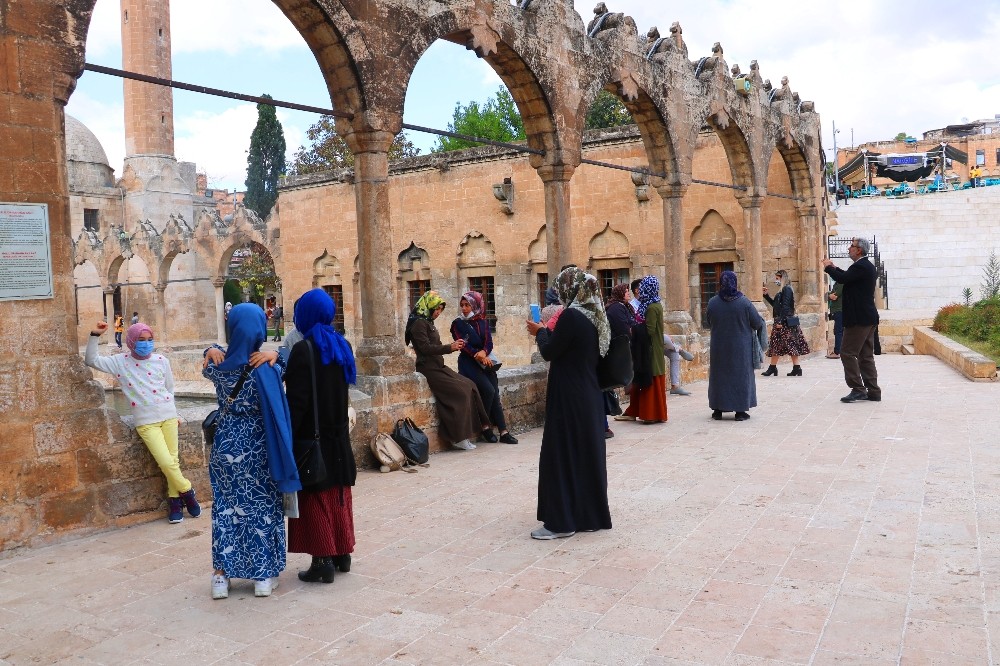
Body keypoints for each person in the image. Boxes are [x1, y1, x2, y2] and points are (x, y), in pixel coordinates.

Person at [202, 303, 300, 599]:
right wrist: (276, 354)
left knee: (225, 508)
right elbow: (291, 361)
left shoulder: (217, 365)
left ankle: (221, 577)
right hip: (259, 445)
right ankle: (262, 576)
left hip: (225, 445)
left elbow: (206, 361)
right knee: (262, 508)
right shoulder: (267, 368)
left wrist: (210, 347)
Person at [525, 267, 612, 539]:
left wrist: (539, 331)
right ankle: (588, 517)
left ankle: (560, 522)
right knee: (584, 455)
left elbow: (550, 351)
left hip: (569, 396)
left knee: (561, 455)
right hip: (589, 394)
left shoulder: (571, 316)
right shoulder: (596, 318)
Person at [85, 320, 201, 524]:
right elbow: (91, 360)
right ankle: (187, 490)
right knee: (165, 461)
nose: (146, 344)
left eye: (149, 339)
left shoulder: (161, 360)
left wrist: (175, 414)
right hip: (146, 421)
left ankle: (175, 502)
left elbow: (170, 388)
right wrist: (95, 335)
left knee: (172, 461)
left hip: (168, 416)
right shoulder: (120, 361)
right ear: (131, 341)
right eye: (141, 340)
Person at [284, 289, 357, 584]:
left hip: (313, 438)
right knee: (338, 494)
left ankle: (322, 560)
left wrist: (287, 436)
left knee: (315, 496)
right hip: (338, 436)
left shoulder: (305, 349)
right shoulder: (342, 345)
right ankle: (342, 553)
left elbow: (298, 403)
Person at [405, 291, 493, 450]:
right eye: (436, 309)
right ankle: (458, 437)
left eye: (440, 310)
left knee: (470, 386)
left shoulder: (427, 321)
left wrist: (452, 347)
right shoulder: (419, 324)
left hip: (439, 366)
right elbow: (425, 348)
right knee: (460, 392)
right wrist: (449, 348)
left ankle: (479, 429)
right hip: (429, 369)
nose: (438, 313)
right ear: (428, 306)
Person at [450, 291, 518, 445]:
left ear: (475, 305)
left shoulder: (482, 322)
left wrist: (484, 352)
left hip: (485, 362)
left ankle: (503, 431)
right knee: (488, 390)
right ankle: (485, 425)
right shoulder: (457, 323)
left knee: (495, 395)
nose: (464, 308)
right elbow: (462, 344)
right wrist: (477, 354)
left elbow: (489, 342)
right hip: (469, 364)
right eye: (462, 305)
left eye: (467, 305)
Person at [822, 238, 881, 403]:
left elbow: (843, 279)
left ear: (859, 250)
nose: (849, 248)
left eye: (852, 246)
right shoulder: (864, 266)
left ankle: (858, 389)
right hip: (867, 317)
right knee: (865, 356)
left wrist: (827, 267)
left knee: (847, 353)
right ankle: (873, 391)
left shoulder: (861, 266)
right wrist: (833, 267)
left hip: (859, 319)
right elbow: (847, 276)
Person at [706, 271, 766, 421]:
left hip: (719, 347)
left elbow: (708, 321)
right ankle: (740, 411)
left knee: (719, 377)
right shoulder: (744, 302)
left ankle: (717, 409)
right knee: (741, 376)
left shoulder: (712, 302)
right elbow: (757, 323)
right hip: (741, 348)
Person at [628, 278, 694, 395]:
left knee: (673, 353)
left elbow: (651, 327)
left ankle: (675, 385)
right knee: (669, 344)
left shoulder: (651, 305)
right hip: (645, 341)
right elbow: (647, 328)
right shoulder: (639, 305)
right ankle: (678, 348)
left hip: (651, 339)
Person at [616, 275, 667, 423]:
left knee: (650, 380)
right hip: (652, 348)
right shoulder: (655, 304)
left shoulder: (651, 307)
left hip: (650, 349)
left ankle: (650, 414)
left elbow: (649, 330)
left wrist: (633, 329)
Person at [761, 269, 810, 377]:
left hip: (784, 322)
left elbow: (786, 307)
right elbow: (776, 305)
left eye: (777, 278)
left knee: (788, 345)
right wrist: (766, 295)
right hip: (782, 320)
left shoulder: (787, 289)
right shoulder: (782, 290)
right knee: (777, 345)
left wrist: (781, 322)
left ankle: (790, 368)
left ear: (782, 278)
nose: (776, 281)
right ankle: (785, 368)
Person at [602, 283, 634, 439]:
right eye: (626, 291)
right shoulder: (616, 308)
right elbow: (624, 328)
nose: (629, 294)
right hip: (616, 350)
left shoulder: (621, 306)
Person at [827, 281, 844, 359]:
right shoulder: (837, 283)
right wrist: (829, 294)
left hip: (840, 310)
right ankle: (841, 351)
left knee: (838, 331)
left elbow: (834, 296)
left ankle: (837, 352)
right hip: (838, 310)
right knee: (839, 331)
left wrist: (829, 295)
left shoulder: (841, 283)